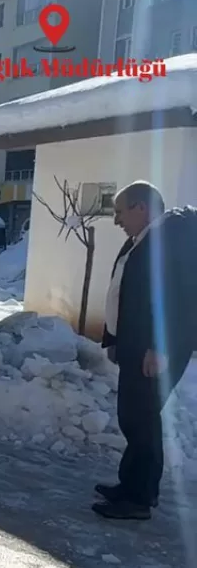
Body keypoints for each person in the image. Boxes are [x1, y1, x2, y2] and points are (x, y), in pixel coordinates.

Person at [94, 181, 196, 520]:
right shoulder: (142, 241)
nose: (117, 220)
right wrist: (113, 340)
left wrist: (159, 347)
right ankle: (131, 485)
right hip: (135, 346)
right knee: (133, 417)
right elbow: (125, 293)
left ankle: (140, 499)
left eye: (120, 211)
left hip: (154, 350)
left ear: (141, 208)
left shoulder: (168, 242)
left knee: (143, 418)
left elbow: (177, 300)